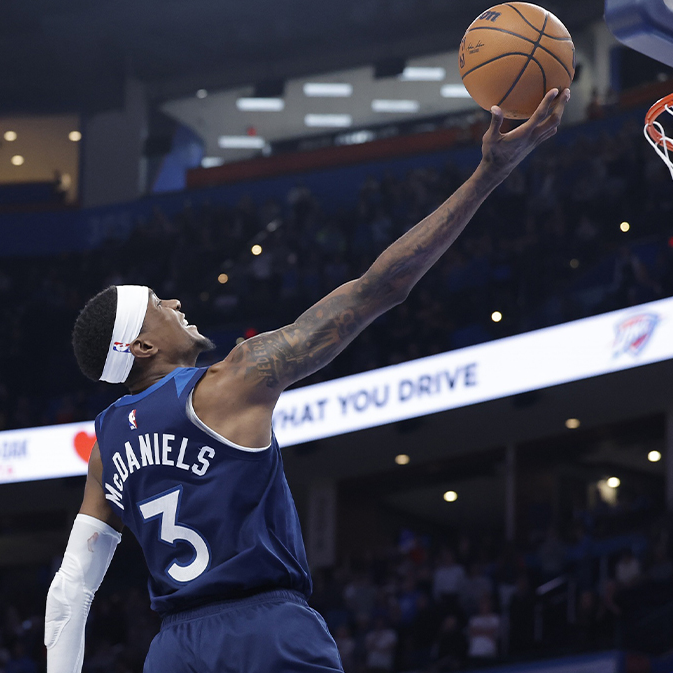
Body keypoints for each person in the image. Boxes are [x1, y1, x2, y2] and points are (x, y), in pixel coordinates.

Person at [43, 89, 571, 673]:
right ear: (141, 346)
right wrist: (488, 175)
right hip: (266, 630)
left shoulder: (106, 445)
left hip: (173, 652)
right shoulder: (233, 379)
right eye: (155, 305)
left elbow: (71, 589)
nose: (171, 300)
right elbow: (380, 288)